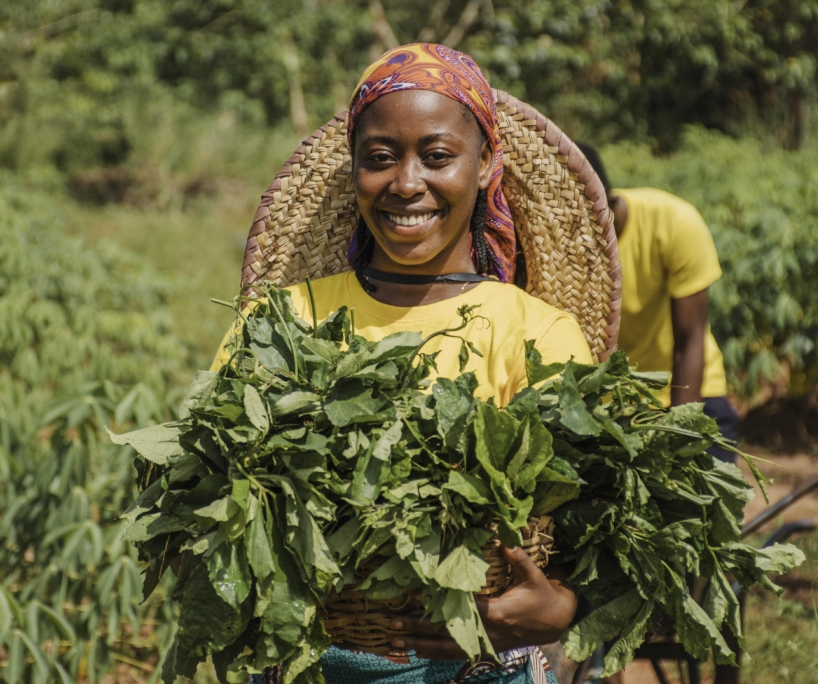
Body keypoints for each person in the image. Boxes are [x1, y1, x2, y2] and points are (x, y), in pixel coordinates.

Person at [211, 44, 613, 684]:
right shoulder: (280, 324)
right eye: (379, 158)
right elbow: (216, 481)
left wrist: (564, 607)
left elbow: (591, 524)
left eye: (437, 156)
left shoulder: (536, 333)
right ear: (354, 171)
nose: (405, 183)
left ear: (486, 165)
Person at [577, 145, 739, 463]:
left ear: (610, 202)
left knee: (704, 506)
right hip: (620, 406)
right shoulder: (565, 242)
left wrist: (678, 439)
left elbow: (689, 339)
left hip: (691, 391)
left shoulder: (673, 222)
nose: (583, 233)